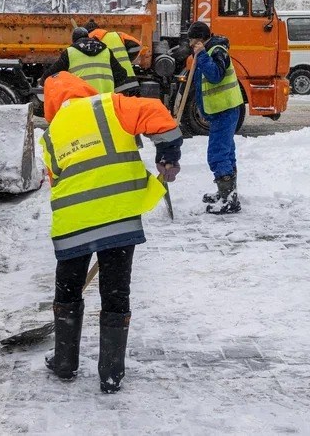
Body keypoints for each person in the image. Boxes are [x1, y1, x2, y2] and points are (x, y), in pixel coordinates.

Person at [40, 71, 182, 393]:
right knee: (116, 293)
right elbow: (161, 117)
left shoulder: (49, 135)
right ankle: (111, 374)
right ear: (84, 90)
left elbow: (56, 181)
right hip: (118, 222)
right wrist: (168, 155)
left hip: (72, 228)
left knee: (68, 290)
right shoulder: (110, 105)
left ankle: (64, 362)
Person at [188, 21, 244, 215]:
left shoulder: (216, 51)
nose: (190, 45)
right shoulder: (210, 50)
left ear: (200, 40)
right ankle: (227, 193)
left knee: (218, 154)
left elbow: (215, 76)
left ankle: (229, 201)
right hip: (221, 109)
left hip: (225, 109)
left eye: (192, 41)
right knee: (226, 152)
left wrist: (201, 54)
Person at [44, 28, 133, 94]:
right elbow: (122, 74)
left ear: (74, 40)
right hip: (106, 98)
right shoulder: (106, 50)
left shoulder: (70, 52)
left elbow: (53, 72)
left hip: (82, 97)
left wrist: (42, 80)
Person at [85, 20, 141, 91]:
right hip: (130, 81)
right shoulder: (117, 35)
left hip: (114, 84)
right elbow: (137, 45)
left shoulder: (89, 44)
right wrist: (128, 59)